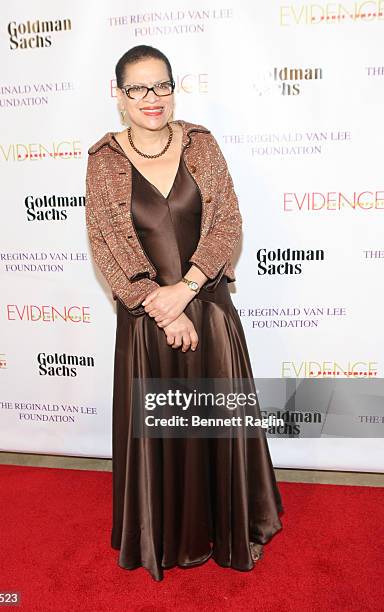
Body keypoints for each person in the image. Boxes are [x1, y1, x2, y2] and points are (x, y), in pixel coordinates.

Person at [85, 44, 284, 582]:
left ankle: (225, 527)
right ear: (119, 94)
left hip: (211, 314)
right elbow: (109, 246)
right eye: (138, 89)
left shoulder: (201, 143)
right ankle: (168, 534)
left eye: (162, 86)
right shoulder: (103, 160)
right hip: (149, 329)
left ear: (174, 88)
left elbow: (228, 224)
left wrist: (189, 288)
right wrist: (164, 307)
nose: (152, 99)